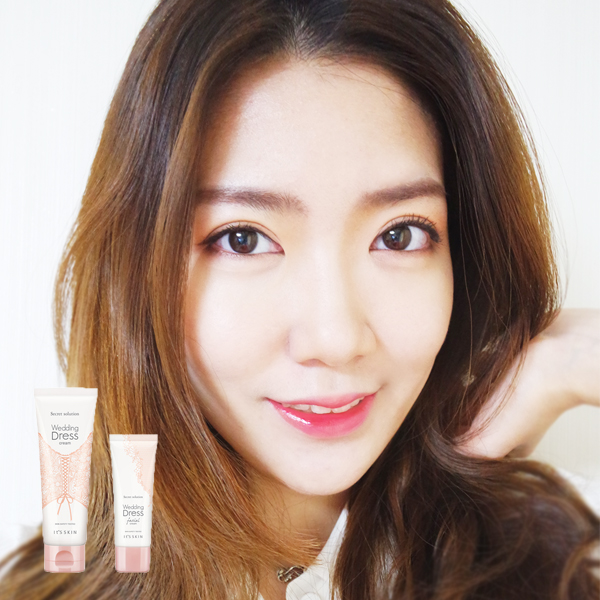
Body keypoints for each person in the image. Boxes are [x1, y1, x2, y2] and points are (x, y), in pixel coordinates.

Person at [0, 0, 598, 598]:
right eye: (243, 239)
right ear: (140, 268)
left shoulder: (563, 567)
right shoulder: (41, 583)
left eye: (399, 235)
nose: (334, 339)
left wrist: (564, 365)